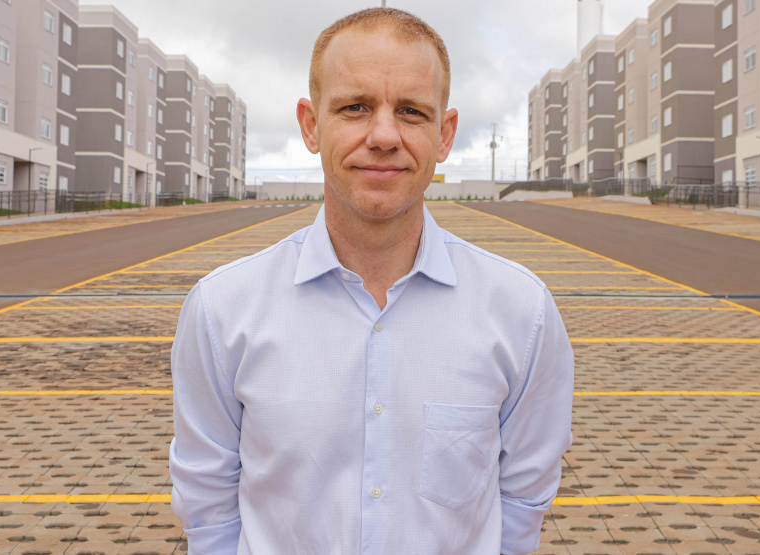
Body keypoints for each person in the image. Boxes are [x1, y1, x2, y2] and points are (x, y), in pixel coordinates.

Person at [169, 8, 573, 555]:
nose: (383, 136)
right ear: (311, 125)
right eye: (355, 107)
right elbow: (208, 503)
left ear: (445, 133)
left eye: (410, 111)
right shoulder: (220, 310)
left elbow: (523, 499)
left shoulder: (523, 313)